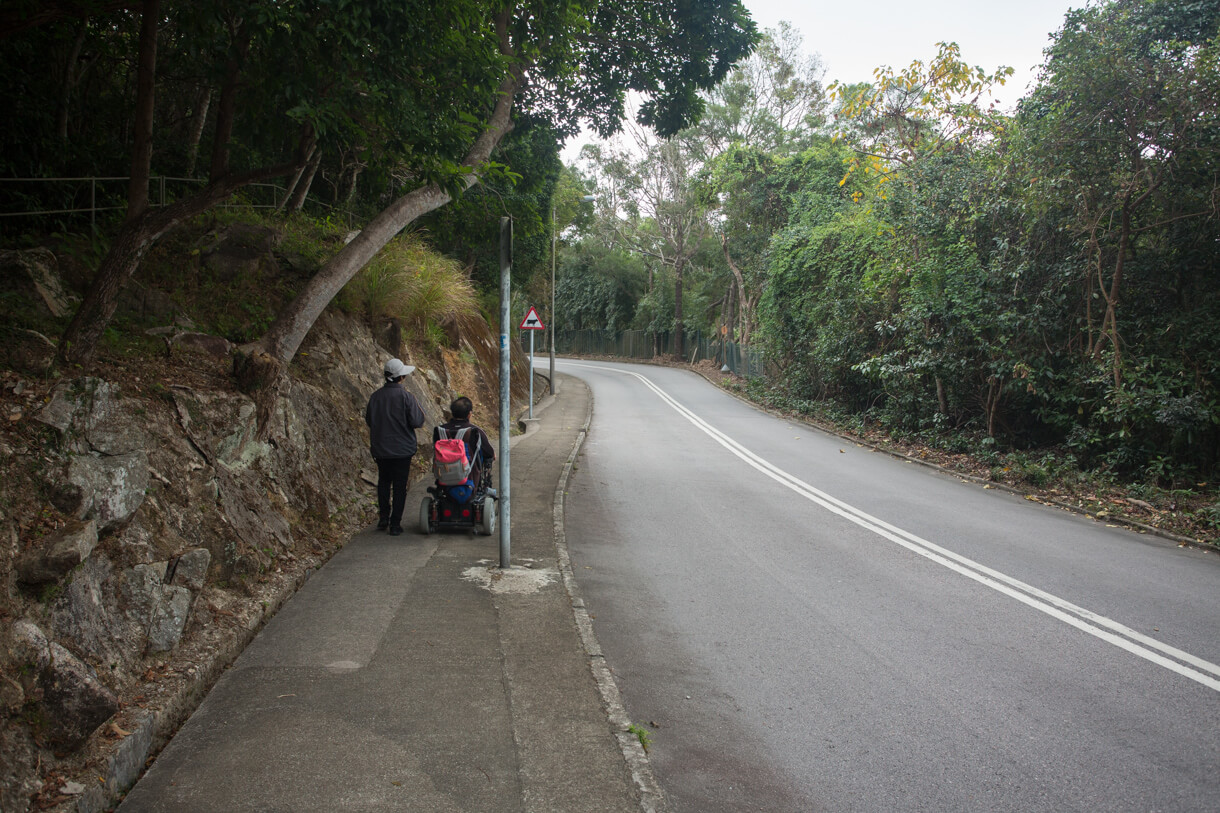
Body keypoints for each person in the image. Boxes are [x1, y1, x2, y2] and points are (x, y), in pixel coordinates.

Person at [365, 358, 427, 535]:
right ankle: (395, 524)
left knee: (383, 482)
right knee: (399, 486)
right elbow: (417, 421)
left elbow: (370, 420)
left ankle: (383, 517)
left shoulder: (375, 397)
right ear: (401, 377)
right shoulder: (407, 397)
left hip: (381, 449)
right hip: (402, 450)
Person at [432, 396, 495, 495]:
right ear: (469, 414)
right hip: (469, 477)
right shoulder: (475, 431)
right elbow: (489, 453)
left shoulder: (440, 430)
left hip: (444, 477)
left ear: (452, 413)